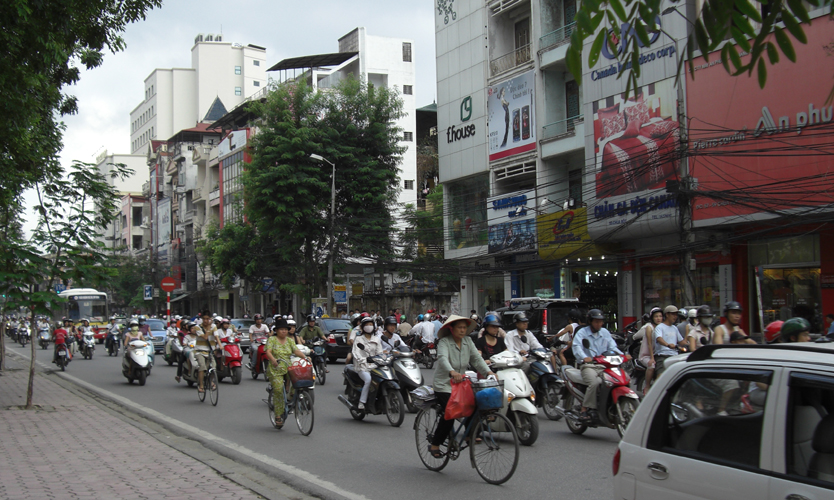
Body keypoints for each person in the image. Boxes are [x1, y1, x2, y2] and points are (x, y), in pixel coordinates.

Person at [428, 315, 495, 458]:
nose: (463, 330)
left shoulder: (468, 341)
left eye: (464, 327)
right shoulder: (444, 342)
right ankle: (435, 443)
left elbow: (476, 359)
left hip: (461, 383)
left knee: (475, 404)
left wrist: (489, 372)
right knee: (450, 412)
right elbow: (443, 358)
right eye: (459, 327)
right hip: (444, 384)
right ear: (451, 329)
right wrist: (452, 372)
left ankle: (469, 434)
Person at [571, 309, 626, 422]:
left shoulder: (605, 332)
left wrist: (623, 355)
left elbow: (612, 347)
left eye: (600, 322)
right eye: (596, 322)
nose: (599, 324)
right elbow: (576, 347)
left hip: (605, 365)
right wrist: (584, 358)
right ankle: (584, 409)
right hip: (589, 366)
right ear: (590, 321)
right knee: (595, 383)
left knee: (617, 380)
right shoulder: (582, 333)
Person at [265, 318, 310, 428]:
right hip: (275, 369)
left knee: (299, 382)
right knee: (279, 389)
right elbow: (268, 351)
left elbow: (296, 351)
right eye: (281, 329)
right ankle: (278, 415)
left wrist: (305, 357)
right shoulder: (272, 340)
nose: (284, 331)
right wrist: (273, 360)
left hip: (288, 366)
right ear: (277, 330)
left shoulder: (290, 341)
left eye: (285, 329)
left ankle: (291, 399)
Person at [351, 317, 384, 410]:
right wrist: (365, 360)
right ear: (362, 327)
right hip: (362, 367)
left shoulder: (376, 339)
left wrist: (381, 359)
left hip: (374, 366)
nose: (369, 327)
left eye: (371, 324)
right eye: (366, 325)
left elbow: (380, 353)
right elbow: (356, 353)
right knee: (368, 380)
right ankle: (362, 402)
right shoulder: (358, 339)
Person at [651, 305, 688, 374]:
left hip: (674, 356)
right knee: (661, 376)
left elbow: (681, 341)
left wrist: (690, 345)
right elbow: (659, 338)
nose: (675, 316)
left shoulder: (675, 328)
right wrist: (667, 345)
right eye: (673, 314)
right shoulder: (660, 327)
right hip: (662, 355)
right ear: (667, 315)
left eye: (676, 315)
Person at [194, 310, 221, 394]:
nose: (206, 321)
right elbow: (205, 337)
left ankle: (211, 381)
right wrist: (208, 328)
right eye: (204, 319)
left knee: (213, 366)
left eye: (208, 319)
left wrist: (220, 345)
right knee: (202, 367)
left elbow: (216, 336)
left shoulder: (214, 326)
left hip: (210, 351)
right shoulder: (198, 327)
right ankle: (201, 385)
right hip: (200, 351)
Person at [637, 307, 663, 394]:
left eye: (660, 316)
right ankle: (647, 386)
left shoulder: (663, 327)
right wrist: (652, 358)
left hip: (658, 354)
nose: (658, 318)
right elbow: (649, 344)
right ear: (652, 318)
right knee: (651, 365)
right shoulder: (649, 327)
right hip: (647, 355)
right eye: (656, 316)